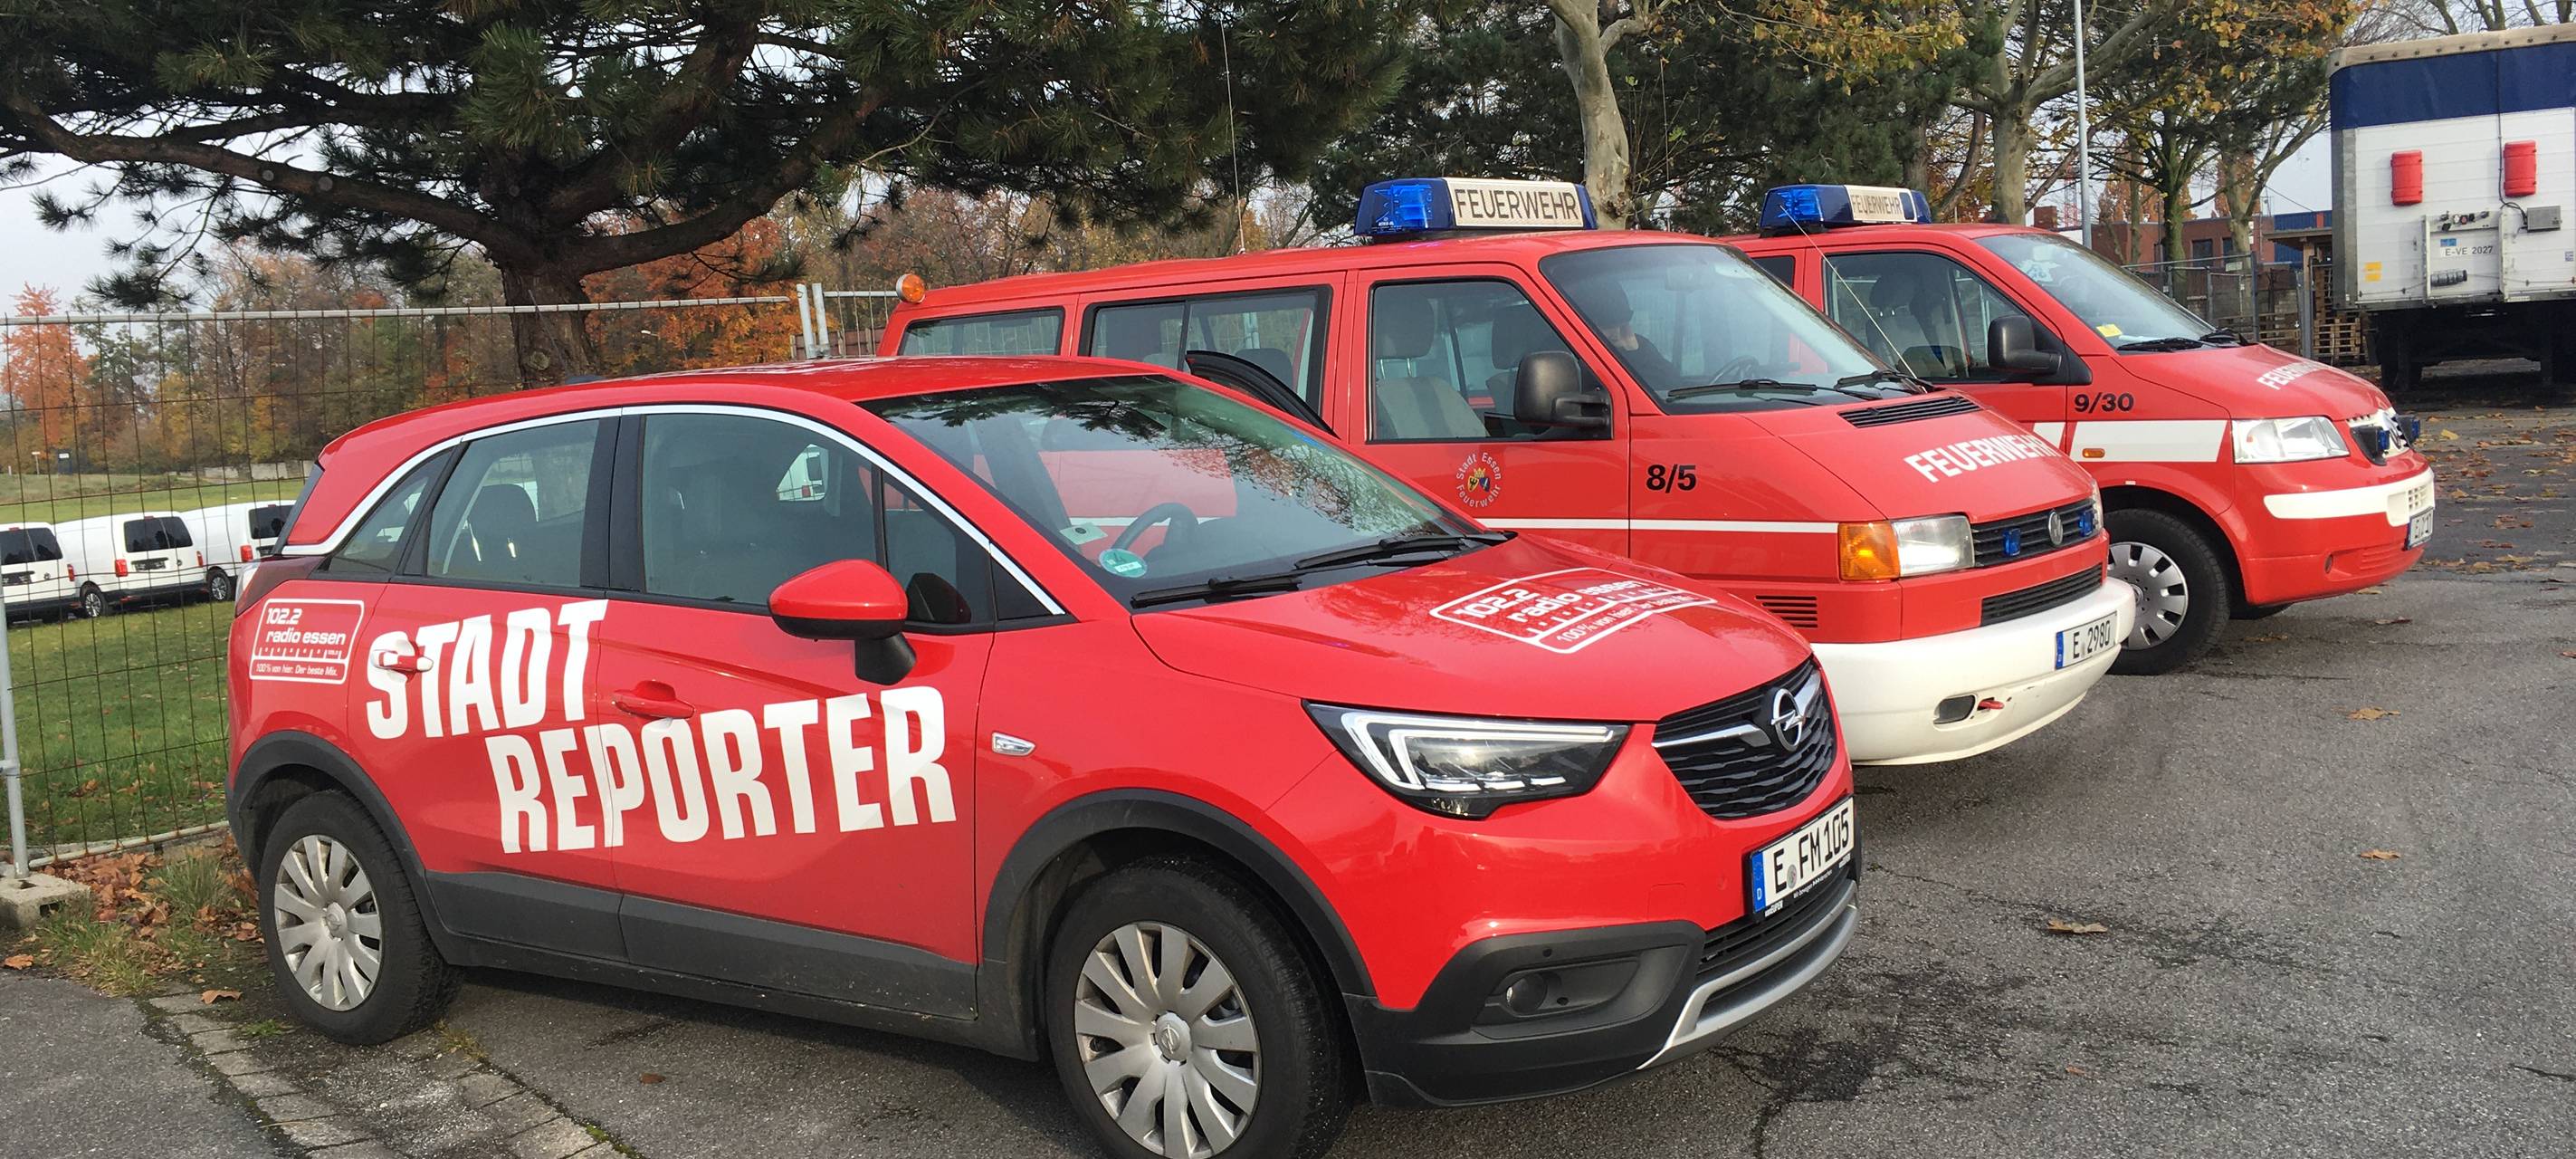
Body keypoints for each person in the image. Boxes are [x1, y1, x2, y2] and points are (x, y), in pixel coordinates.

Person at [1567, 280, 1681, 388]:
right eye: (1607, 326)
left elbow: (1671, 381)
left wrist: (1633, 353)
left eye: (1622, 324)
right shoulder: (1568, 354)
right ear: (1584, 322)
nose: (1617, 333)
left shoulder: (1641, 346)